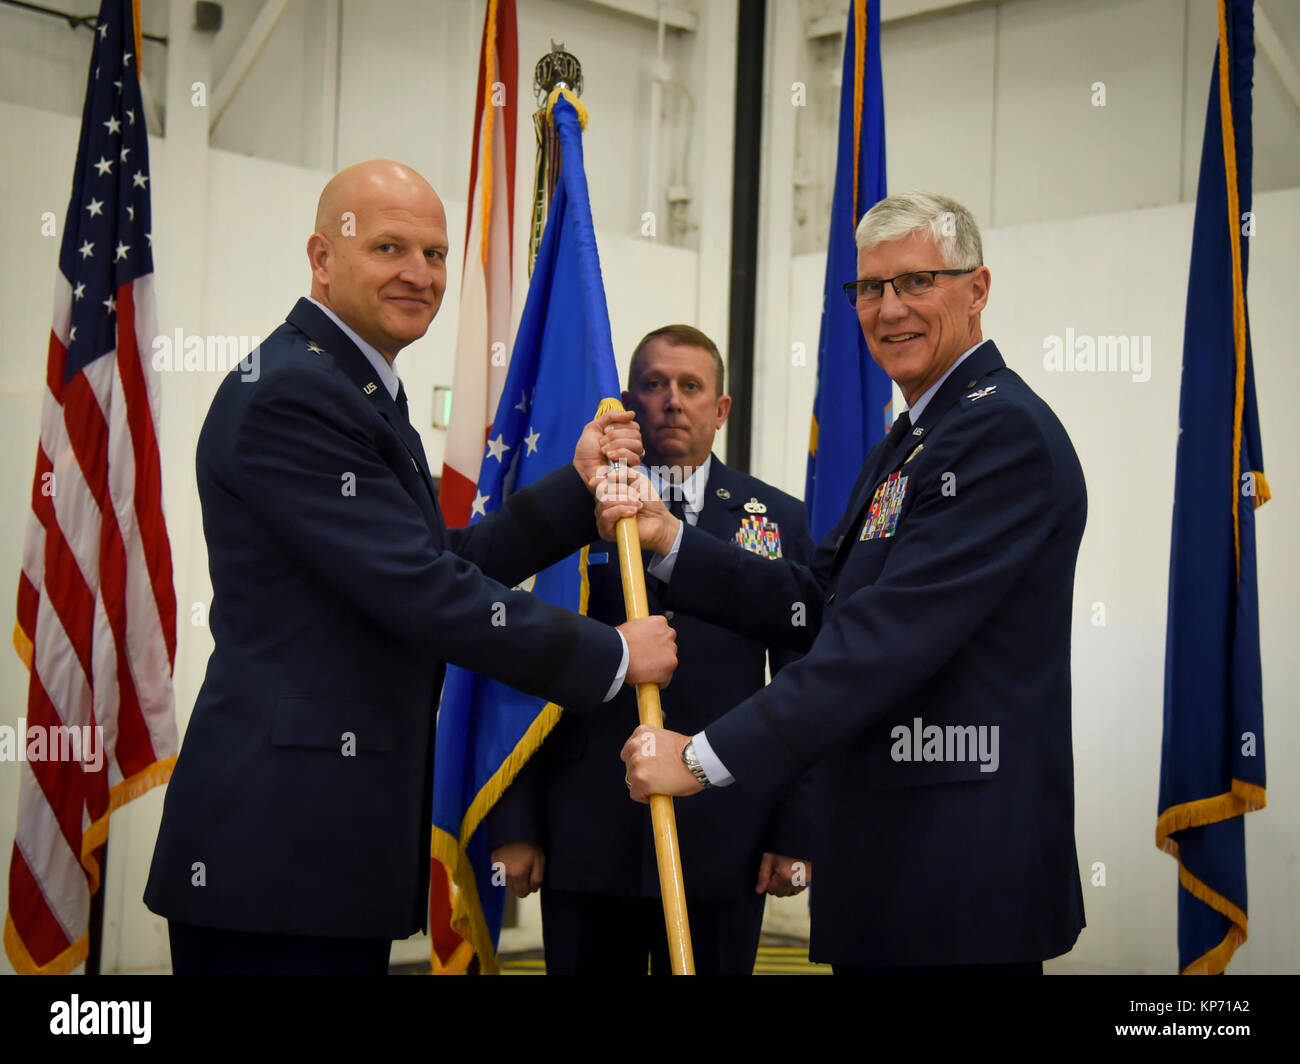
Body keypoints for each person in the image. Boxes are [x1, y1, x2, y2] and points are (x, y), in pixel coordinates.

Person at [143, 160, 677, 974]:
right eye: (389, 247)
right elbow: (423, 590)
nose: (418, 274)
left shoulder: (353, 384)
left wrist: (574, 491)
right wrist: (609, 655)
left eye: (433, 254)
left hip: (321, 843)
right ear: (323, 257)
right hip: (281, 850)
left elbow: (431, 562)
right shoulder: (296, 394)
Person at [608, 192, 1087, 974]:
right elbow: (814, 604)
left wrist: (700, 758)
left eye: (917, 281)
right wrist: (671, 543)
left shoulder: (999, 433)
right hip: (890, 857)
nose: (888, 309)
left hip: (956, 875)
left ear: (977, 288)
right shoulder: (914, 435)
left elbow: (879, 643)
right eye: (870, 288)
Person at [486, 325, 815, 975]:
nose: (672, 400)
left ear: (721, 408)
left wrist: (793, 831)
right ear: (629, 405)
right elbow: (519, 659)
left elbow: (803, 681)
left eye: (691, 386)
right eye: (654, 385)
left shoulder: (778, 520)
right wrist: (516, 820)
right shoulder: (577, 511)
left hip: (725, 828)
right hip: (584, 825)